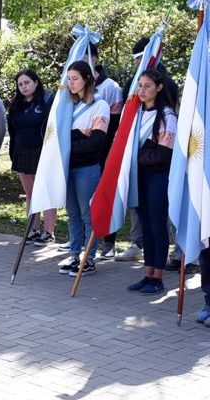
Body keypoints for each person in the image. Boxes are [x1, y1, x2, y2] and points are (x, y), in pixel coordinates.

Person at [57, 61, 110, 277]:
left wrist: (67, 148)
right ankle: (74, 255)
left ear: (87, 79)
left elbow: (96, 142)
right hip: (66, 168)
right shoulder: (66, 105)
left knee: (88, 215)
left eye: (75, 78)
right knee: (73, 215)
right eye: (68, 78)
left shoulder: (100, 105)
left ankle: (89, 259)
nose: (71, 83)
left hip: (86, 168)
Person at [126, 69, 176, 294]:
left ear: (159, 88)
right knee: (145, 225)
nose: (142, 90)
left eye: (147, 86)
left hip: (157, 176)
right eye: (140, 85)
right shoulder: (135, 114)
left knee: (157, 226)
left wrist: (136, 158)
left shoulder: (167, 116)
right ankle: (147, 274)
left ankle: (158, 277)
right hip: (139, 176)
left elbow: (164, 154)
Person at [7, 69, 55, 244]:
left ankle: (49, 232)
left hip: (41, 152)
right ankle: (32, 229)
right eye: (20, 84)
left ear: (36, 82)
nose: (23, 87)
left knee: (45, 191)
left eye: (27, 82)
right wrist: (13, 153)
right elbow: (12, 131)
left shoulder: (47, 101)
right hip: (21, 152)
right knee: (30, 193)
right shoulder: (16, 106)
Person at [88, 43, 125, 259]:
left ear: (95, 59)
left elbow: (116, 122)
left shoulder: (110, 86)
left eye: (87, 56)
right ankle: (85, 242)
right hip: (84, 153)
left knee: (106, 193)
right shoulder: (75, 84)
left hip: (105, 149)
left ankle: (109, 242)